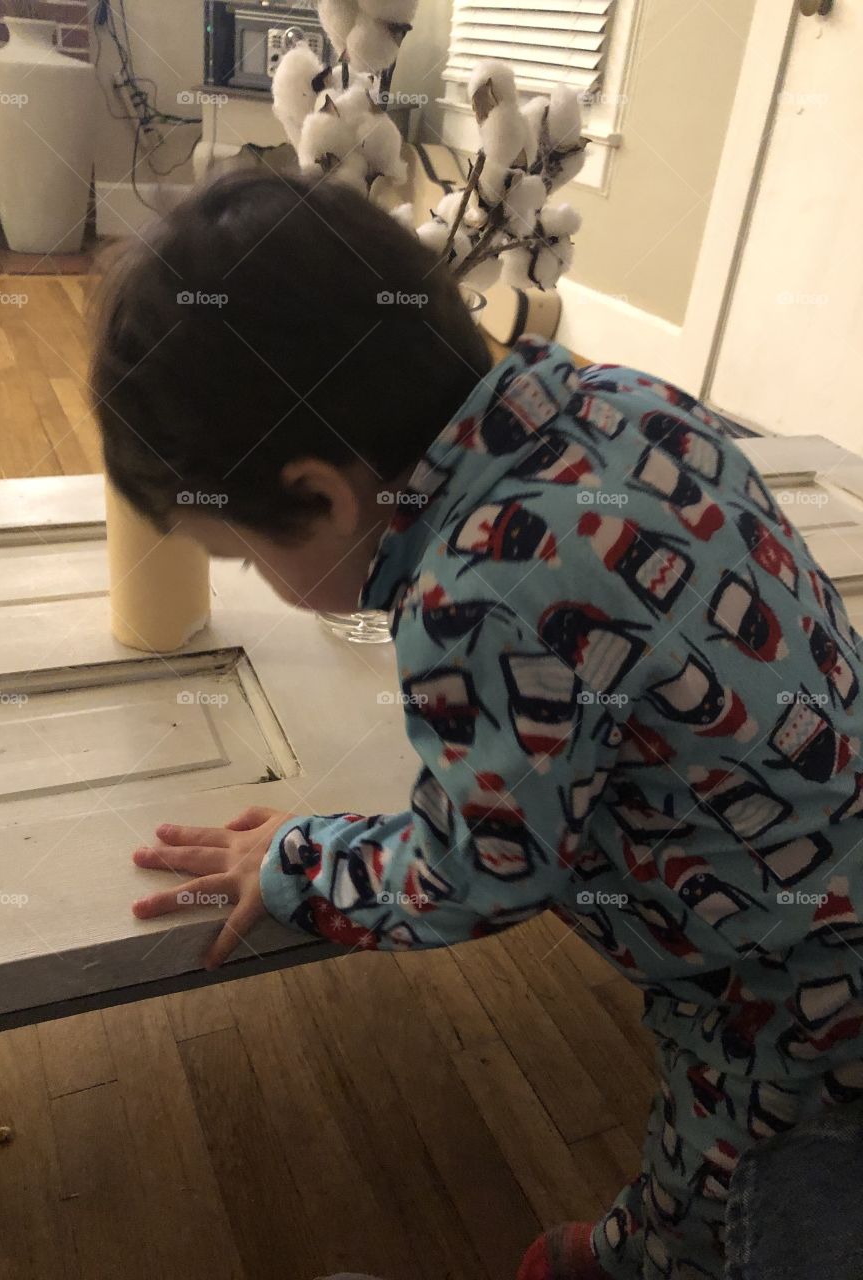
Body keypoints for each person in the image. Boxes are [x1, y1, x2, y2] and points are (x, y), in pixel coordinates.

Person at [90, 170, 863, 1280]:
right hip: (821, 845)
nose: (257, 580)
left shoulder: (480, 597)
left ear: (323, 492)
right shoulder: (616, 400)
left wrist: (303, 861)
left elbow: (482, 871)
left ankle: (652, 1255)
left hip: (789, 979)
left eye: (243, 553)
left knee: (742, 1185)